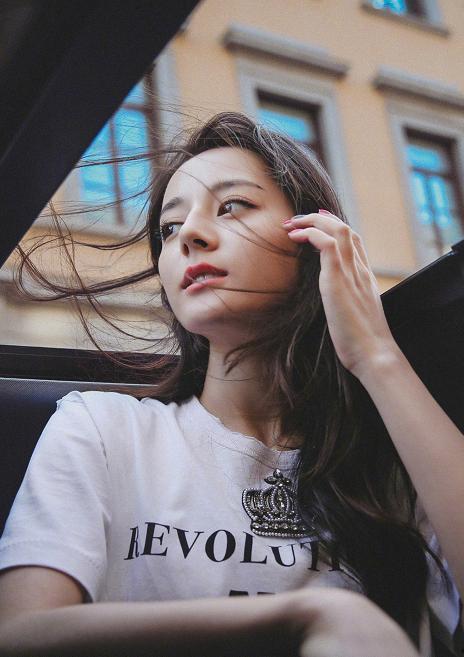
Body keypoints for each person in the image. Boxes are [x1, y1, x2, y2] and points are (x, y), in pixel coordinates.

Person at [0, 111, 462, 656]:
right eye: (169, 228)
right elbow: (18, 634)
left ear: (313, 240)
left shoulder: (402, 461)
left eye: (232, 206)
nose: (189, 236)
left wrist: (376, 356)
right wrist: (309, 616)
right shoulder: (102, 428)